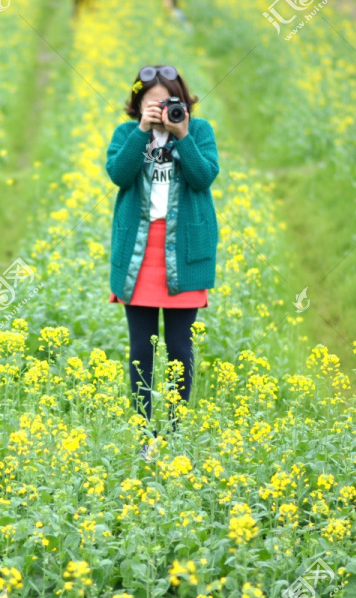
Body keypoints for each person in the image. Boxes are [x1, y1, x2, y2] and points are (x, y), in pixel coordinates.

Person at [104, 65, 219, 456]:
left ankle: (174, 433)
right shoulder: (126, 134)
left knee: (179, 350)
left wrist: (183, 135)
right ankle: (142, 436)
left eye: (169, 102)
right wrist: (141, 133)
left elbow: (203, 179)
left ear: (183, 103)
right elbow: (119, 175)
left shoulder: (199, 132)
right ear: (138, 106)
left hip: (183, 254)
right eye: (151, 104)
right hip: (139, 254)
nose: (161, 110)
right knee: (140, 349)